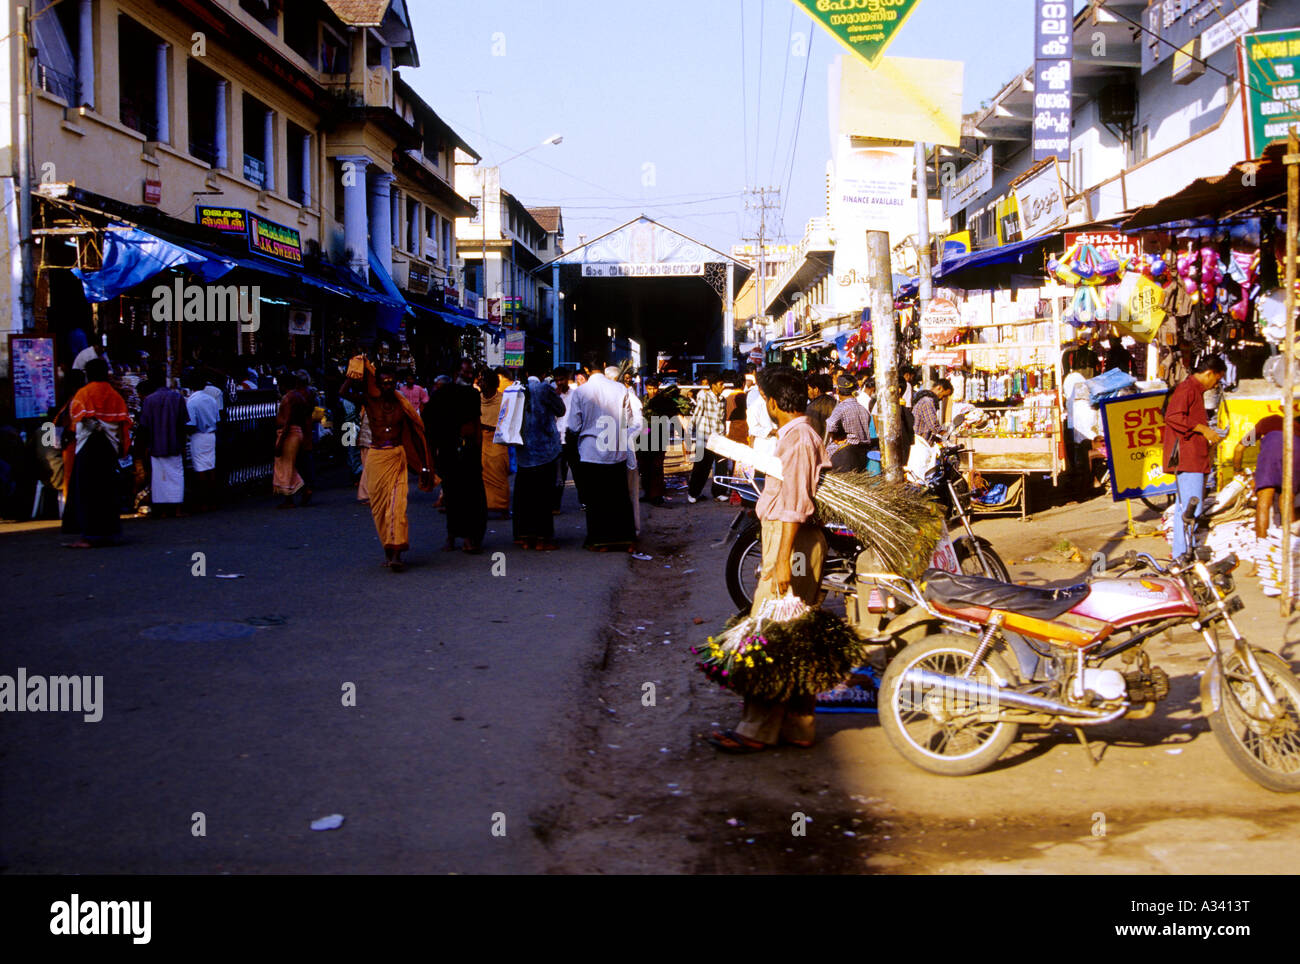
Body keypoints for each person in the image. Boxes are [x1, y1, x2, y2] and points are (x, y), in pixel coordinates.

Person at [709, 365, 829, 752]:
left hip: (790, 539)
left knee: (768, 633)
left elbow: (794, 505)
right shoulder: (801, 433)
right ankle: (798, 726)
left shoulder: (798, 438)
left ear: (775, 403)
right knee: (794, 634)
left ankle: (755, 730)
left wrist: (779, 561)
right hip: (794, 539)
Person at [345, 357, 433, 571]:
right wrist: (353, 371)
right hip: (376, 457)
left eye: (391, 382)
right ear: (377, 383)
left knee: (397, 506)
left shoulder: (402, 405)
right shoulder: (369, 401)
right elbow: (342, 393)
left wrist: (423, 466)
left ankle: (397, 554)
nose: (387, 386)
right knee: (380, 508)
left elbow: (415, 436)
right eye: (383, 382)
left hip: (397, 456)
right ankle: (388, 549)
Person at [567, 351, 640, 551]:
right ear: (605, 364)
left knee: (596, 499)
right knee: (619, 496)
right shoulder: (620, 389)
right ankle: (627, 540)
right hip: (616, 447)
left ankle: (600, 541)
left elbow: (574, 425)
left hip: (591, 450)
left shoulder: (581, 392)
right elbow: (628, 419)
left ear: (585, 369)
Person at [60, 358, 131, 547]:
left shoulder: (83, 394)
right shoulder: (115, 396)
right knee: (108, 491)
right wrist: (123, 450)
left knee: (87, 492)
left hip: (88, 449)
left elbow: (78, 422)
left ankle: (89, 536)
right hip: (109, 449)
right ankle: (110, 532)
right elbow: (122, 426)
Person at [1162, 356, 1228, 559]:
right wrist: (1203, 430)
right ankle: (1181, 555)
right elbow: (1172, 416)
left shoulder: (1194, 390)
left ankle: (1183, 552)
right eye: (1216, 380)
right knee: (1191, 508)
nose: (1215, 385)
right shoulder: (1188, 388)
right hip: (1188, 459)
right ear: (1209, 373)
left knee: (1191, 507)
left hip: (1195, 459)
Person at [423, 371, 487, 553]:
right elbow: (430, 430)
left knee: (461, 497)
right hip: (452, 454)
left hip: (463, 454)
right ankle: (457, 537)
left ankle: (460, 537)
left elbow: (475, 427)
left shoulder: (468, 396)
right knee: (456, 497)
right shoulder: (443, 399)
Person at [513, 377, 565, 550]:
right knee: (543, 497)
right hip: (544, 451)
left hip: (523, 451)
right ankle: (543, 539)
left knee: (525, 497)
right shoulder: (545, 389)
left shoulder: (517, 389)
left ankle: (526, 537)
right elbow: (561, 410)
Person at [138, 367, 189, 517]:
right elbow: (183, 423)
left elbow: (145, 426)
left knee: (159, 478)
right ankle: (177, 509)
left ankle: (163, 510)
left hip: (156, 445)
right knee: (176, 475)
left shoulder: (148, 400)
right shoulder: (177, 397)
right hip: (174, 443)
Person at [687, 372, 728, 504]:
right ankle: (693, 493)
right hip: (704, 438)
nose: (723, 387)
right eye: (721, 385)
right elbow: (697, 415)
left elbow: (722, 420)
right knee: (701, 468)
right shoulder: (704, 397)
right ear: (713, 385)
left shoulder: (723, 400)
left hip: (719, 439)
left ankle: (719, 492)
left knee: (721, 466)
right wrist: (690, 432)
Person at [184, 371, 221, 512]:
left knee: (200, 469)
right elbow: (218, 419)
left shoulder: (192, 401)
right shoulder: (211, 399)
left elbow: (191, 424)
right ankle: (212, 500)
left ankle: (203, 501)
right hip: (211, 435)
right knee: (210, 467)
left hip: (199, 436)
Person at [479, 367, 512, 517]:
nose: (480, 382)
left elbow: (508, 423)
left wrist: (487, 427)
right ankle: (484, 506)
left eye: (483, 380)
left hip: (497, 442)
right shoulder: (476, 399)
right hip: (479, 442)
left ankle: (502, 506)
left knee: (499, 475)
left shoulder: (503, 400)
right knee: (481, 476)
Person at [824, 373, 873, 472]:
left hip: (844, 455)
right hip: (861, 456)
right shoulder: (863, 410)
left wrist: (836, 439)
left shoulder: (841, 408)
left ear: (837, 390)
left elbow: (830, 424)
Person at [552, 367, 577, 512]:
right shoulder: (553, 395)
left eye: (561, 379)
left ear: (567, 378)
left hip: (571, 436)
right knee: (558, 474)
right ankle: (555, 505)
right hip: (557, 438)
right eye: (557, 380)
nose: (559, 383)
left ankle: (585, 502)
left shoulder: (575, 394)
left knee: (577, 471)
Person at [910, 378, 953, 447]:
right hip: (920, 444)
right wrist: (947, 434)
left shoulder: (926, 399)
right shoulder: (928, 401)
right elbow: (934, 426)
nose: (943, 399)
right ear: (939, 388)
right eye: (944, 395)